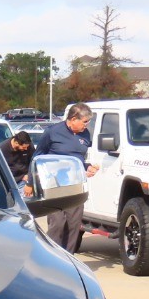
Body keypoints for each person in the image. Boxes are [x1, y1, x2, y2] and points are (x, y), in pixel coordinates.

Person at [35, 103, 99, 252]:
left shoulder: (85, 134)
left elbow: (78, 159)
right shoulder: (52, 132)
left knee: (73, 225)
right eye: (85, 121)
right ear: (74, 118)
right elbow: (37, 157)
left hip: (75, 186)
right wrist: (32, 183)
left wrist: (87, 167)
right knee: (57, 224)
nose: (86, 125)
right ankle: (52, 257)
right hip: (54, 186)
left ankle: (69, 258)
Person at [0, 130, 35, 198]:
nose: (26, 149)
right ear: (16, 143)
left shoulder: (29, 146)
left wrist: (29, 177)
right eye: (24, 147)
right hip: (11, 183)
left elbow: (33, 162)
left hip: (25, 179)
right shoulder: (2, 149)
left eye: (27, 147)